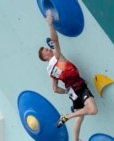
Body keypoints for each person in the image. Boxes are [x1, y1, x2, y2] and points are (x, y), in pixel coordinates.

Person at [38, 10, 98, 141]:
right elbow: (55, 39)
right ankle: (67, 116)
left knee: (80, 117)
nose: (50, 49)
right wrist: (50, 24)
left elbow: (54, 89)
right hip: (79, 88)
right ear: (45, 57)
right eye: (47, 50)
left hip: (72, 92)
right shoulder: (57, 58)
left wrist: (66, 91)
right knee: (92, 110)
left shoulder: (50, 70)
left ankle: (75, 140)